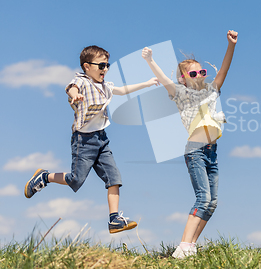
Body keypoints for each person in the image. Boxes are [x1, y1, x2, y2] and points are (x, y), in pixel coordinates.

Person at [24, 45, 159, 234]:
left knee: (114, 178)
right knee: (75, 179)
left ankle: (114, 220)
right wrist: (75, 95)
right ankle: (44, 177)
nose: (105, 70)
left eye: (107, 66)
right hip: (84, 140)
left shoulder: (105, 87)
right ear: (87, 66)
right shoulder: (82, 81)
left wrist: (146, 83)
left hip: (101, 139)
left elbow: (122, 90)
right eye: (101, 66)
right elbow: (71, 88)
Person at [141, 30, 238, 258]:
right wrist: (150, 60)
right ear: (184, 78)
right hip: (195, 151)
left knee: (212, 202)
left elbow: (224, 69)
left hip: (212, 152)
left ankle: (191, 245)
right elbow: (165, 79)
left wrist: (231, 45)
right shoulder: (181, 93)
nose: (200, 75)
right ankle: (183, 246)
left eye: (202, 71)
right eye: (194, 72)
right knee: (202, 198)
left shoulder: (212, 91)